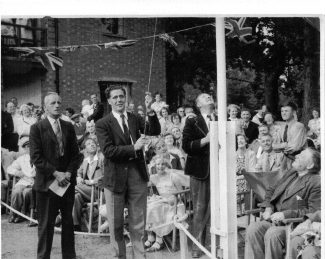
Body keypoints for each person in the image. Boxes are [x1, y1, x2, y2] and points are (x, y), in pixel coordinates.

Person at [96, 86, 161, 259]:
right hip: (115, 178)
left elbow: (154, 131)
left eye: (122, 96)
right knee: (116, 224)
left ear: (126, 98)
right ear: (109, 101)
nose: (119, 100)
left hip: (137, 175)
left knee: (138, 223)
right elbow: (109, 151)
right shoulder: (102, 124)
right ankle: (119, 257)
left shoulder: (134, 118)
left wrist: (151, 113)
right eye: (115, 97)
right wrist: (134, 148)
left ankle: (140, 256)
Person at [30, 92, 81, 259]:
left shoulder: (68, 127)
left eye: (59, 102)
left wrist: (68, 172)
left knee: (68, 223)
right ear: (45, 107)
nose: (57, 105)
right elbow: (36, 157)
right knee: (46, 226)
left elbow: (76, 154)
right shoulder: (37, 128)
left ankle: (69, 256)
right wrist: (55, 173)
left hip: (66, 183)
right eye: (53, 103)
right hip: (46, 185)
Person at [244, 148, 321, 259]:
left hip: (293, 225)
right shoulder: (292, 172)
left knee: (273, 233)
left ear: (310, 165)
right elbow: (271, 190)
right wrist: (268, 207)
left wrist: (285, 214)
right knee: (253, 228)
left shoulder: (316, 182)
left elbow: (312, 212)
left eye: (302, 156)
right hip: (274, 219)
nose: (297, 155)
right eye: (299, 153)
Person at [182, 93, 216, 258]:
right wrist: (206, 140)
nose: (209, 97)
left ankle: (214, 245)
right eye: (205, 97)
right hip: (200, 172)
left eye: (210, 96)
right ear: (198, 104)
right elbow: (186, 146)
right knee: (200, 209)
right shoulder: (192, 121)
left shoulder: (221, 118)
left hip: (218, 172)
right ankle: (197, 247)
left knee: (217, 209)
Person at [145, 154, 189, 252]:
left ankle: (159, 241)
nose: (160, 166)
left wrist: (172, 199)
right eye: (158, 164)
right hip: (162, 201)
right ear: (154, 166)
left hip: (175, 203)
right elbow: (143, 185)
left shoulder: (172, 176)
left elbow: (181, 194)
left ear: (166, 165)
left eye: (163, 164)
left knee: (156, 208)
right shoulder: (153, 177)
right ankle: (150, 237)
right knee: (147, 206)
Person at [73, 138, 104, 231]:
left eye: (93, 143)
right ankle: (76, 225)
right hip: (85, 191)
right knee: (76, 197)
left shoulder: (101, 158)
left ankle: (60, 215)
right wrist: (78, 177)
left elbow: (105, 176)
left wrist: (89, 182)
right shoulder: (85, 161)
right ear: (85, 149)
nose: (92, 145)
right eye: (89, 144)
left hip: (98, 191)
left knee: (71, 189)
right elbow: (79, 172)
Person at [7, 137, 35, 223]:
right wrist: (17, 172)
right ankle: (14, 214)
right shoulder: (22, 159)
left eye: (31, 146)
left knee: (26, 193)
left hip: (35, 181)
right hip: (24, 180)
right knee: (16, 192)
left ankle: (22, 214)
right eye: (26, 147)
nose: (29, 149)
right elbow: (9, 168)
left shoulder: (39, 157)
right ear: (24, 148)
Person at [272, 102, 307, 170]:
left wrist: (281, 146)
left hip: (298, 160)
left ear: (293, 112)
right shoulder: (282, 127)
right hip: (285, 160)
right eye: (282, 111)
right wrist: (284, 145)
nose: (283, 113)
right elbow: (273, 145)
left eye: (286, 111)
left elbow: (293, 148)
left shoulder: (298, 126)